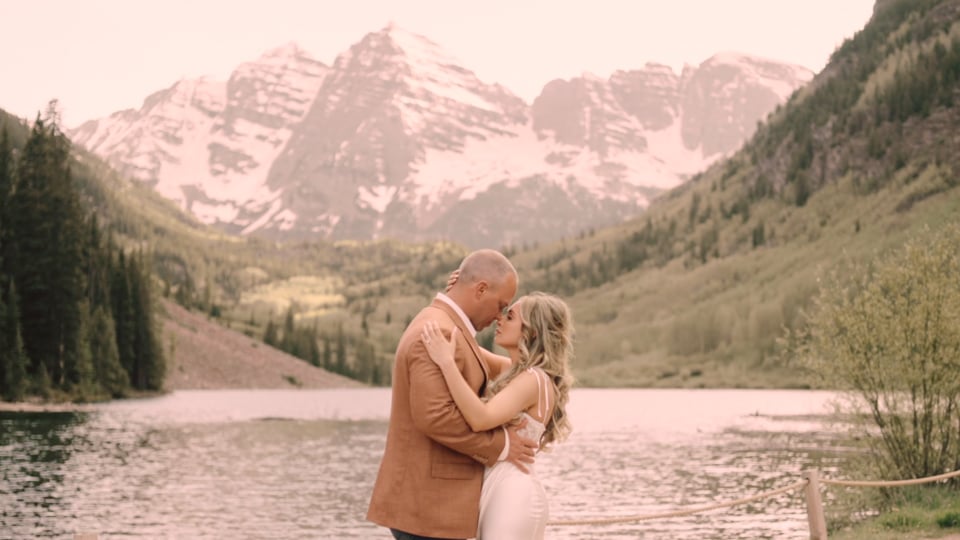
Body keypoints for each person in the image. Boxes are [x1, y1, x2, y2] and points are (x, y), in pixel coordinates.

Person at [367, 249, 539, 540]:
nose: (499, 315)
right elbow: (436, 417)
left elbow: (511, 370)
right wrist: (502, 445)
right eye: (500, 305)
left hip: (431, 506)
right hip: (427, 506)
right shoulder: (440, 331)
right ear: (480, 289)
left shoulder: (449, 326)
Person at [421, 291, 575, 540]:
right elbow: (462, 343)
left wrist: (447, 364)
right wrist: (455, 294)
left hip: (514, 494)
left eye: (510, 316)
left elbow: (480, 418)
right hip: (499, 489)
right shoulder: (515, 372)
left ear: (532, 332)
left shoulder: (533, 380)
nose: (499, 320)